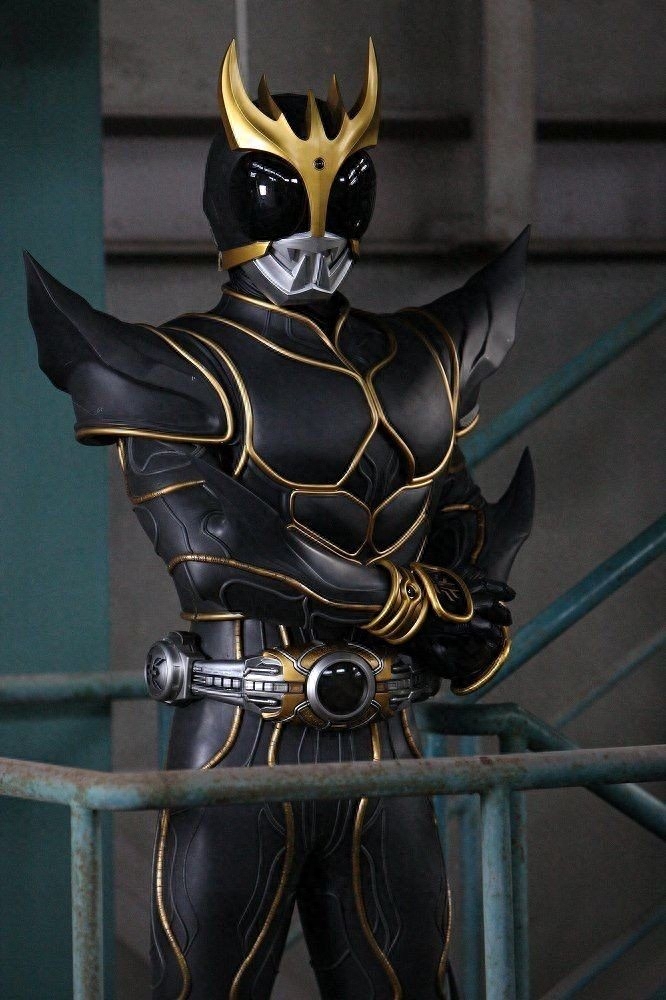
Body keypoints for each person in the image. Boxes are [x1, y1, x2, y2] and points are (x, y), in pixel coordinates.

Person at [25, 38, 533, 1000]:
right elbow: (219, 557)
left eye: (344, 191)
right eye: (279, 191)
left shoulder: (421, 361)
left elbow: (466, 534)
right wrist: (416, 606)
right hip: (241, 732)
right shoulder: (181, 366)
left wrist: (465, 617)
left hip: (382, 737)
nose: (314, 227)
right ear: (234, 193)